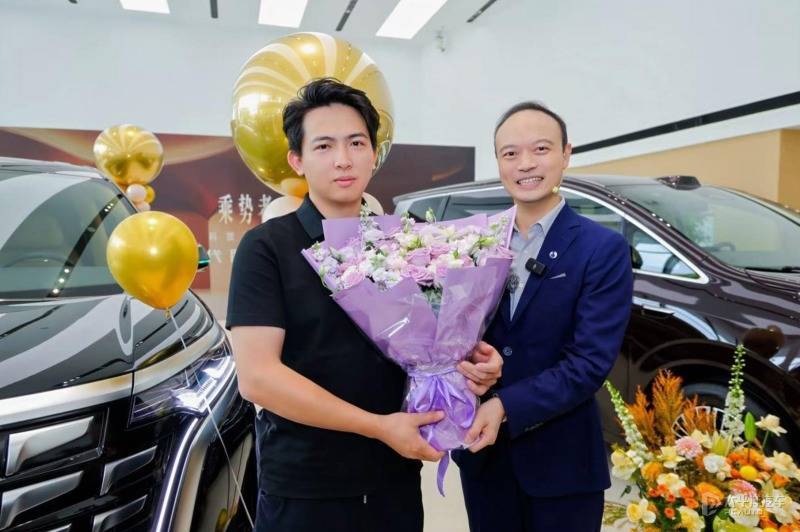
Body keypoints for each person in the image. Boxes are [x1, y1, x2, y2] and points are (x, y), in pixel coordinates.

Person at [226, 77, 502, 532]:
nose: (343, 159)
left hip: (394, 478)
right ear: (297, 160)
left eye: (356, 143)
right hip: (308, 486)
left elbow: (427, 346)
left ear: (374, 153)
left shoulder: (406, 241)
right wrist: (377, 426)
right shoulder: (267, 248)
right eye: (324, 146)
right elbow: (258, 378)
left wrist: (469, 362)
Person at [453, 101, 634, 531]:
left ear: (566, 154)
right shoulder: (472, 242)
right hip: (484, 458)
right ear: (498, 161)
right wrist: (461, 365)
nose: (526, 164)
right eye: (510, 153)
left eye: (541, 149)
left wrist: (504, 404)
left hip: (562, 462)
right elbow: (447, 333)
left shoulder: (600, 249)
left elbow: (589, 363)